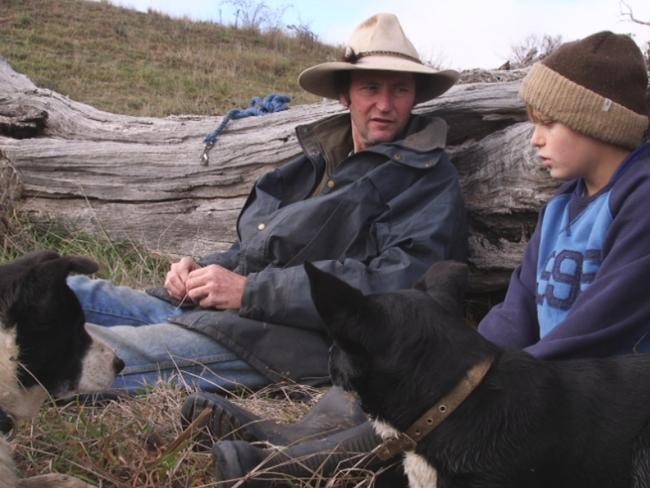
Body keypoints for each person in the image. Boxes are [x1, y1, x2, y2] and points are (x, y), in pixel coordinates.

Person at [184, 30, 650, 486]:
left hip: (612, 404)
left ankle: (298, 464)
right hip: (554, 384)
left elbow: (600, 324)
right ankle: (290, 447)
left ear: (598, 122)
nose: (534, 139)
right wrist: (467, 366)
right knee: (434, 393)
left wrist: (495, 382)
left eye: (549, 123)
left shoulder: (641, 201)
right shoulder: (561, 209)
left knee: (449, 421)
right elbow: (518, 307)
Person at [67, 12, 467, 393]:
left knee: (87, 355)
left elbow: (395, 286)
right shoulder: (315, 162)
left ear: (415, 96)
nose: (385, 104)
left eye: (400, 89)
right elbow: (255, 249)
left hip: (287, 342)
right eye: (371, 88)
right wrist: (204, 271)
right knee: (63, 290)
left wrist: (249, 291)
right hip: (224, 314)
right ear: (346, 95)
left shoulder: (427, 180)